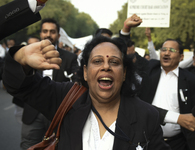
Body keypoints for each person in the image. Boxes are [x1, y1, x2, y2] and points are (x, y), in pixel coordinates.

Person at [3, 36, 171, 150]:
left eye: (114, 62)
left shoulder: (146, 116)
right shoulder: (66, 98)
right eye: (97, 61)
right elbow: (20, 87)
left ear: (125, 73)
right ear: (85, 71)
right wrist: (21, 57)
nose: (106, 67)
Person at [121, 14, 195, 150]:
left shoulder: (191, 81)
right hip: (146, 140)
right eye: (163, 49)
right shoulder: (150, 68)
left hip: (178, 143)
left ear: (181, 57)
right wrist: (126, 29)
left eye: (172, 50)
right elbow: (124, 53)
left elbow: (194, 119)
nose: (166, 53)